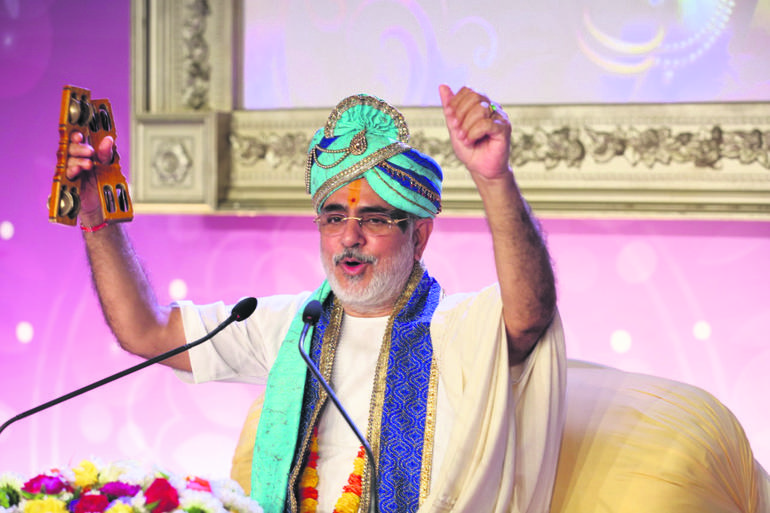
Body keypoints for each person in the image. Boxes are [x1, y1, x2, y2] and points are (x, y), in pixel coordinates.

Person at [66, 85, 567, 513]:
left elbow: (530, 313)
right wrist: (94, 216)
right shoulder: (295, 326)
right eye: (333, 218)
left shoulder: (460, 329)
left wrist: (494, 180)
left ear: (418, 237)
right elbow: (147, 331)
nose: (349, 237)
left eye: (374, 219)